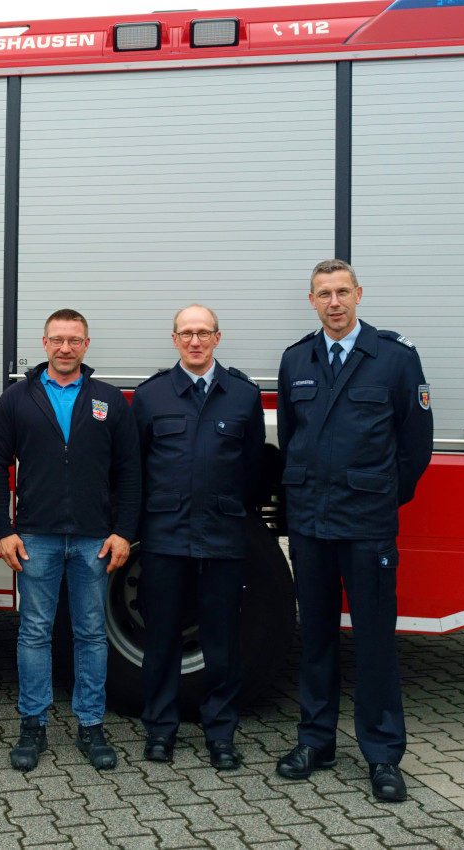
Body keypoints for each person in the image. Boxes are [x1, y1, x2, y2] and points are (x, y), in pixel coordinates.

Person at [275, 259, 433, 803]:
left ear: (359, 294)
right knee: (315, 637)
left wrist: (382, 497)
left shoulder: (394, 358)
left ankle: (384, 755)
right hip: (311, 526)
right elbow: (293, 437)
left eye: (343, 292)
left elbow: (415, 446)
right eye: (324, 294)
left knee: (373, 641)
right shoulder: (297, 358)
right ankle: (315, 742)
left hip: (366, 525)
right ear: (312, 300)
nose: (334, 302)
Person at [0, 308, 141, 772]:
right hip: (36, 538)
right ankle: (32, 724)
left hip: (94, 539)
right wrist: (4, 530)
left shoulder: (110, 400)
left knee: (91, 633)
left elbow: (130, 472)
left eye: (74, 340)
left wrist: (124, 532)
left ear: (86, 344)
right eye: (57, 340)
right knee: (34, 632)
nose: (66, 348)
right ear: (45, 343)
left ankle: (90, 725)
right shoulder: (17, 399)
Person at [131, 304, 264, 770]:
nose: (195, 341)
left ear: (217, 338)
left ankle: (221, 732)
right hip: (165, 538)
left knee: (222, 642)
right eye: (186, 333)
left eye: (203, 332)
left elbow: (251, 467)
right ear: (174, 340)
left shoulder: (243, 395)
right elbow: (137, 468)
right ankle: (160, 730)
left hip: (223, 537)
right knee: (162, 638)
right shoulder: (150, 397)